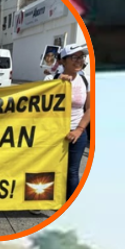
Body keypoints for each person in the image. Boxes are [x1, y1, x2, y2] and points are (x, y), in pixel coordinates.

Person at [54, 43, 91, 203]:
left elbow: (90, 108)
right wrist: (57, 84)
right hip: (54, 133)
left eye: (81, 57)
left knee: (72, 171)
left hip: (77, 132)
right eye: (74, 57)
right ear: (63, 61)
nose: (79, 61)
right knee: (50, 168)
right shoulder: (52, 79)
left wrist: (79, 129)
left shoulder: (85, 80)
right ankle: (43, 200)